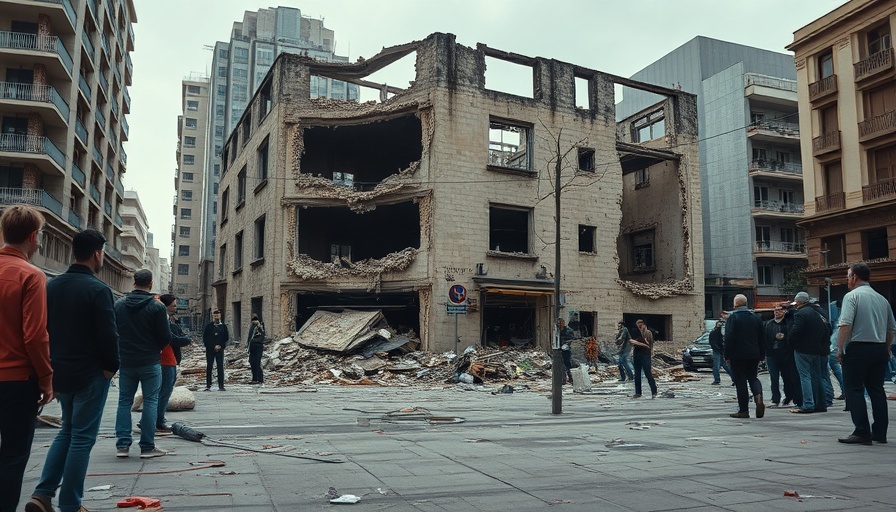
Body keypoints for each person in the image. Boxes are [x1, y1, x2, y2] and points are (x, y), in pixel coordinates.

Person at [25, 228, 119, 512]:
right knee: (81, 438)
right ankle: (70, 503)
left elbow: (40, 329)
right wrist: (110, 369)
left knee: (66, 431)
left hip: (59, 373)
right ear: (96, 254)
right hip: (90, 374)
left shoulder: (51, 286)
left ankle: (42, 494)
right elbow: (109, 335)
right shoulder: (98, 290)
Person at [0, 206, 52, 512]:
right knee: (13, 456)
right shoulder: (31, 275)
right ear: (34, 237)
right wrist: (46, 379)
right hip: (17, 381)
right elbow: (35, 335)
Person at [836, 263, 896, 445]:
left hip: (858, 348)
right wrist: (885, 348)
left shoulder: (852, 296)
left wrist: (840, 348)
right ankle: (880, 432)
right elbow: (892, 328)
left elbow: (845, 324)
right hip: (878, 348)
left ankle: (862, 431)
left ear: (854, 277)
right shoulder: (881, 299)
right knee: (876, 390)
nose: (847, 280)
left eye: (848, 276)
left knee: (854, 389)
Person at [114, 269, 171, 459]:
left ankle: (122, 445)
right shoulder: (157, 307)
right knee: (151, 401)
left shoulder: (119, 305)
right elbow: (165, 337)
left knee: (124, 401)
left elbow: (114, 332)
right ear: (150, 284)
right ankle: (147, 446)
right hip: (150, 361)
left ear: (133, 282)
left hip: (127, 361)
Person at [788, 291, 831, 414]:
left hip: (803, 349)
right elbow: (824, 330)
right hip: (817, 349)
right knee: (817, 376)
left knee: (805, 376)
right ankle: (822, 403)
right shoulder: (816, 313)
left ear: (799, 302)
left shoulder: (801, 314)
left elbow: (796, 331)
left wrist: (790, 341)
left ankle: (808, 404)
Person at [724, 294, 765, 419]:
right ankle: (758, 395)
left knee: (740, 380)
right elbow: (762, 338)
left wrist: (727, 355)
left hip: (738, 354)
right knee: (753, 377)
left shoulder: (733, 317)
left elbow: (729, 337)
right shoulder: (756, 318)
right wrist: (761, 354)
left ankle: (743, 410)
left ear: (735, 304)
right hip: (754, 354)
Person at [155, 295, 192, 431]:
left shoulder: (166, 320)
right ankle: (158, 419)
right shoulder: (162, 319)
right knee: (164, 391)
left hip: (166, 359)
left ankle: (154, 418)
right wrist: (186, 340)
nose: (176, 308)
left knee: (161, 392)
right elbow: (170, 339)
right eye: (174, 305)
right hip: (165, 359)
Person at [763, 305, 789, 406]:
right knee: (774, 377)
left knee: (786, 377)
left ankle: (788, 396)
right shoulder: (769, 324)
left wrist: (784, 337)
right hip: (771, 354)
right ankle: (775, 398)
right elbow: (765, 337)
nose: (777, 312)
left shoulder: (787, 323)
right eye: (775, 310)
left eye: (779, 310)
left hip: (785, 354)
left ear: (784, 312)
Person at [203, 309, 230, 391]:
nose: (216, 317)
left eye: (218, 315)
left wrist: (220, 346)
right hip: (210, 350)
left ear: (220, 316)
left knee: (220, 367)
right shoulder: (209, 327)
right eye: (215, 316)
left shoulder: (223, 327)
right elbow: (205, 338)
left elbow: (226, 337)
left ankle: (221, 385)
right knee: (209, 367)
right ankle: (208, 385)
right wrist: (213, 346)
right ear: (213, 316)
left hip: (220, 349)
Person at [630, 319, 657, 399]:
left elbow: (649, 344)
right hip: (637, 354)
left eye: (638, 324)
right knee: (637, 374)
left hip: (645, 354)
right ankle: (638, 392)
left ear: (641, 324)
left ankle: (654, 391)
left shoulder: (648, 333)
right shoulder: (635, 332)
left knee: (648, 373)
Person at [708, 312, 734, 385]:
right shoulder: (715, 332)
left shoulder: (720, 331)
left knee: (717, 366)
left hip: (719, 350)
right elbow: (713, 341)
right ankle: (734, 378)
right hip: (718, 350)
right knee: (724, 365)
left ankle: (717, 380)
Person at [247, 314, 266, 385]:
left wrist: (254, 341)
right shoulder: (252, 326)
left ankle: (260, 379)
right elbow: (250, 336)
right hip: (252, 347)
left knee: (257, 362)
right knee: (252, 362)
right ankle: (254, 379)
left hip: (258, 346)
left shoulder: (260, 325)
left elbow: (262, 335)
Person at [556, 317, 575, 384]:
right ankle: (563, 380)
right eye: (559, 323)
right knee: (560, 365)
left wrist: (566, 344)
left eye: (561, 323)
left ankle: (571, 378)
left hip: (566, 350)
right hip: (558, 350)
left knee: (567, 364)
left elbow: (572, 339)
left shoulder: (568, 330)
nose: (560, 324)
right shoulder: (557, 331)